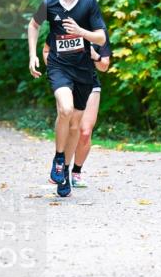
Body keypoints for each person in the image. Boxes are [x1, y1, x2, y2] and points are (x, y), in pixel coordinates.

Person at [28, 0, 107, 197]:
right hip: (59, 66)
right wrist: (33, 55)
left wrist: (81, 31)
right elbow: (33, 25)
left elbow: (101, 38)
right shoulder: (49, 4)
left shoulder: (89, 3)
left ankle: (66, 175)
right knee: (65, 109)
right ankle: (59, 158)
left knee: (75, 125)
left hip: (83, 70)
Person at [43, 35, 111, 188]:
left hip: (90, 83)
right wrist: (55, 70)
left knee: (85, 131)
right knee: (68, 122)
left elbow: (104, 66)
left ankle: (76, 172)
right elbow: (47, 50)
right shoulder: (64, 26)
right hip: (65, 80)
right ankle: (61, 167)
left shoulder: (99, 33)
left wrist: (95, 56)